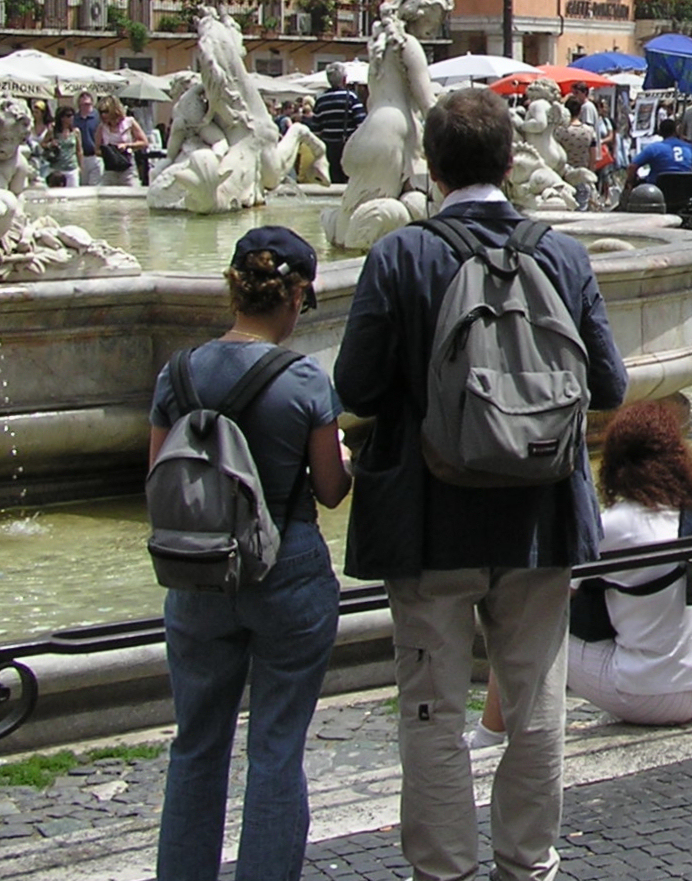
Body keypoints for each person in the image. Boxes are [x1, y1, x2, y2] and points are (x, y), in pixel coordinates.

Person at [334, 88, 629, 881]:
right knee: (534, 705)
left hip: (427, 521)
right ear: (511, 160)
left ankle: (446, 872)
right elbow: (611, 385)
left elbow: (355, 386)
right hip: (540, 519)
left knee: (430, 707)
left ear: (428, 167)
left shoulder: (401, 255)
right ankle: (527, 863)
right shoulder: (561, 254)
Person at [151, 227, 351, 881]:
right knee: (275, 746)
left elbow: (158, 478)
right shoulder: (304, 380)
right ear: (294, 294)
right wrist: (345, 459)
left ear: (236, 286)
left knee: (196, 745)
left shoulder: (176, 373)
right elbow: (328, 489)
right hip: (287, 567)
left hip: (198, 571)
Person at [562, 402, 692, 724]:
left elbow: (558, 597)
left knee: (532, 632)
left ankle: (495, 734)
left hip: (656, 697)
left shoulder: (616, 525)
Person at [312, 64, 365, 184]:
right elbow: (361, 124)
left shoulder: (321, 100)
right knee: (349, 181)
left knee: (333, 181)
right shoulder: (350, 97)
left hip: (328, 148)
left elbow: (315, 129)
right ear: (344, 79)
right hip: (348, 146)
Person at [94, 93, 151, 185]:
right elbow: (96, 150)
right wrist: (109, 152)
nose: (103, 115)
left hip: (127, 166)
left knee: (131, 192)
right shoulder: (102, 127)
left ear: (113, 110)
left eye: (106, 111)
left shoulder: (129, 122)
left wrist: (127, 146)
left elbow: (144, 142)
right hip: (110, 168)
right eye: (101, 112)